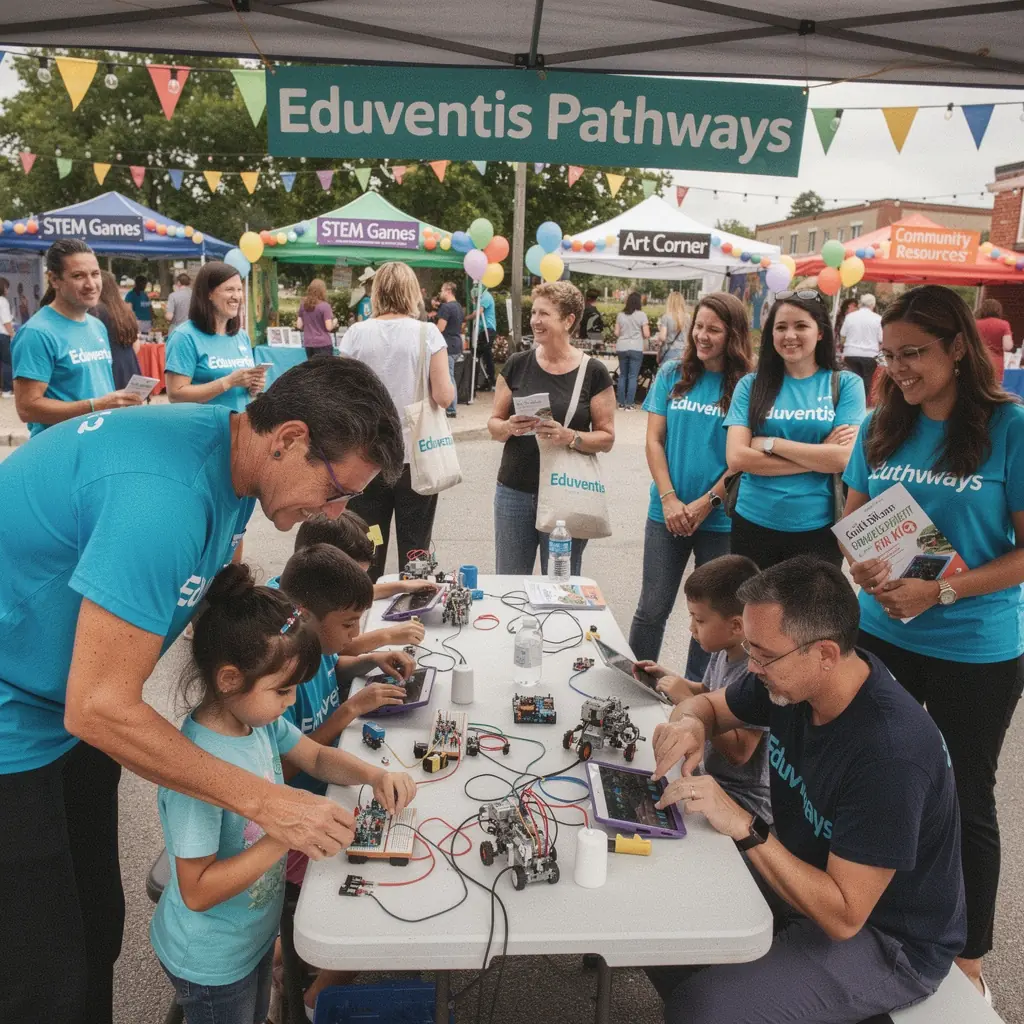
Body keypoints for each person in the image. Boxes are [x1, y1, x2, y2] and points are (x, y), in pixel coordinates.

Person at [0, 356, 405, 1024]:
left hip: (61, 713)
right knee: (43, 976)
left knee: (97, 926)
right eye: (336, 491)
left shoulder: (232, 455)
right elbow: (100, 704)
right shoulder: (163, 497)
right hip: (20, 726)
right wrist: (269, 803)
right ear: (291, 439)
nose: (334, 512)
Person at [647, 556, 965, 1024]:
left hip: (890, 938)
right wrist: (692, 724)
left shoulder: (891, 754)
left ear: (826, 654)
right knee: (660, 913)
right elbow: (708, 705)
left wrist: (742, 824)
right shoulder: (795, 680)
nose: (750, 667)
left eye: (762, 655)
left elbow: (843, 915)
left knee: (702, 1010)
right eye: (749, 650)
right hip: (813, 878)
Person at [843, 284, 1024, 1000]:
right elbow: (855, 512)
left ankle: (969, 958)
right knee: (873, 778)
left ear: (958, 347)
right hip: (885, 630)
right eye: (889, 357)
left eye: (913, 354)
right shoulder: (880, 420)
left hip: (975, 645)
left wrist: (941, 591)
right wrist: (860, 559)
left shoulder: (1010, 428)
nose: (900, 370)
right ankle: (866, 913)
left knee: (964, 797)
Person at [151, 563, 415, 1024]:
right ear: (229, 679)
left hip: (250, 936)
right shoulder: (198, 771)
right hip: (212, 961)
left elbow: (315, 756)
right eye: (284, 690)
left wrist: (373, 775)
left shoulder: (256, 719)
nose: (292, 701)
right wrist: (285, 834)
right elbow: (196, 890)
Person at [629, 293, 753, 674]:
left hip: (720, 520)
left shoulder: (747, 385)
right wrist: (668, 499)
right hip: (666, 512)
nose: (702, 335)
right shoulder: (671, 375)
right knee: (652, 608)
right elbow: (653, 441)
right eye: (699, 326)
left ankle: (698, 697)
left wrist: (705, 504)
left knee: (712, 620)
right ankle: (636, 686)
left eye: (714, 329)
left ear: (732, 335)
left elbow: (742, 459)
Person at [724, 291, 866, 569]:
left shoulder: (846, 384)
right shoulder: (750, 385)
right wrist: (818, 458)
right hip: (753, 523)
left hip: (818, 529)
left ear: (821, 332)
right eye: (781, 327)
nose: (790, 335)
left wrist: (769, 443)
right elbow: (737, 458)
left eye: (801, 325)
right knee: (754, 612)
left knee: (809, 614)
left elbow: (844, 459)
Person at [489, 281, 616, 576]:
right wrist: (508, 426)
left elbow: (607, 438)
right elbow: (493, 425)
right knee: (509, 582)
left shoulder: (593, 371)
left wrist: (570, 436)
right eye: (534, 313)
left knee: (560, 586)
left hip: (566, 493)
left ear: (569, 320)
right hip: (513, 491)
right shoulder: (517, 364)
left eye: (544, 314)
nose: (535, 320)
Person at [340, 261, 455, 581]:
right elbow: (444, 396)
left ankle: (364, 612)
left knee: (369, 542)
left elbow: (342, 394)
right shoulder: (427, 334)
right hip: (414, 461)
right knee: (415, 546)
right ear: (410, 293)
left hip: (367, 461)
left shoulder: (356, 334)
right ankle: (412, 613)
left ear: (377, 292)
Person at [636, 554, 771, 824]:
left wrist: (685, 698)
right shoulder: (725, 650)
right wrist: (670, 678)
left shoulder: (757, 672)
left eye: (699, 620)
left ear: (736, 626)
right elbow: (708, 693)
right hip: (710, 777)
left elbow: (741, 752)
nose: (691, 628)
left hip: (743, 799)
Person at [12, 239, 141, 437]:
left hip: (99, 443)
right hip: (61, 450)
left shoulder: (96, 325)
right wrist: (96, 406)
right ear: (54, 280)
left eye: (95, 274)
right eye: (78, 276)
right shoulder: (36, 333)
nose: (91, 284)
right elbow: (27, 408)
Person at [291, 512, 434, 653]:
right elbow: (337, 648)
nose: (355, 633)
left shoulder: (303, 587)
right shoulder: (289, 620)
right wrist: (387, 636)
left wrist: (400, 586)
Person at [165, 261, 267, 412]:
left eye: (239, 289)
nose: (237, 296)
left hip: (240, 428)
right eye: (229, 289)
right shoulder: (184, 336)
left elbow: (242, 389)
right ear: (209, 294)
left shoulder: (242, 336)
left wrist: (254, 385)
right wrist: (228, 382)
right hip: (203, 430)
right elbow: (176, 394)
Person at [91, 270, 142, 391]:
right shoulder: (125, 310)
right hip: (130, 365)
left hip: (110, 369)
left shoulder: (95, 312)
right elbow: (136, 345)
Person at [839, 293, 883, 401]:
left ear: (860, 304)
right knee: (867, 380)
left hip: (851, 353)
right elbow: (881, 339)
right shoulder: (878, 318)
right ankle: (861, 403)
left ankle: (851, 401)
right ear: (873, 305)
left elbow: (842, 335)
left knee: (852, 380)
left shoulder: (850, 317)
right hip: (870, 354)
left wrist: (843, 351)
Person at [614, 291, 650, 408]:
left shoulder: (620, 315)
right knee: (633, 376)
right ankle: (629, 404)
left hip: (622, 347)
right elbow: (646, 334)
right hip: (636, 347)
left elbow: (616, 333)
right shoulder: (641, 315)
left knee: (623, 375)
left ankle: (620, 402)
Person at [436, 280, 465, 418]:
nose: (440, 293)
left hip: (447, 345)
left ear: (448, 290)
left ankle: (451, 408)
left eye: (442, 290)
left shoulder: (446, 308)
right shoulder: (459, 306)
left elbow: (440, 328)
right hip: (457, 343)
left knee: (448, 376)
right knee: (451, 375)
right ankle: (451, 406)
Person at [974, 297, 1014, 384]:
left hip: (978, 362)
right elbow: (1007, 347)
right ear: (998, 310)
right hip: (996, 366)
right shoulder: (1004, 324)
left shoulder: (975, 324)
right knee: (994, 393)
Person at [297, 278, 338, 360]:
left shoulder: (303, 305)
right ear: (322, 291)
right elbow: (329, 327)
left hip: (308, 343)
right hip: (323, 344)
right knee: (324, 370)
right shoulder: (325, 306)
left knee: (313, 370)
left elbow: (299, 325)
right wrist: (335, 322)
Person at [471, 284, 496, 389]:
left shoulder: (486, 297)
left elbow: (478, 312)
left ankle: (491, 379)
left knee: (486, 354)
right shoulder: (480, 297)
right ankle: (479, 380)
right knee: (477, 355)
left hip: (488, 329)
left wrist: (466, 318)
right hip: (481, 330)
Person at [657, 290, 690, 365]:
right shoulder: (688, 317)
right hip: (684, 352)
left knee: (667, 375)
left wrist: (659, 337)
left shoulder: (666, 317)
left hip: (670, 351)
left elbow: (662, 337)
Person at [0, 277, 14, 396]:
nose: (7, 290)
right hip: (2, 336)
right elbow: (6, 321)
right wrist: (12, 334)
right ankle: (7, 390)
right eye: (6, 287)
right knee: (7, 363)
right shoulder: (2, 301)